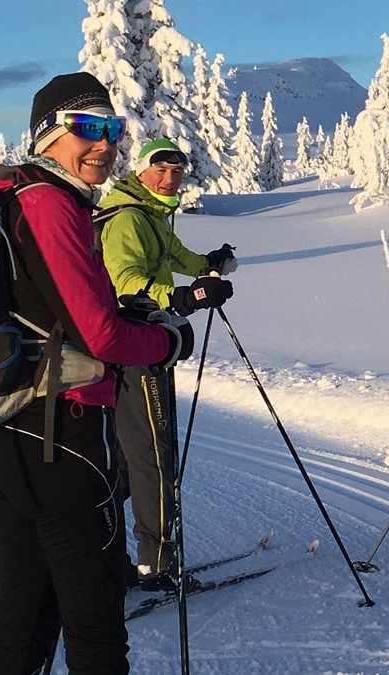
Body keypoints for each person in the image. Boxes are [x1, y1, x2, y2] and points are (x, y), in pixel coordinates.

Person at [0, 72, 195, 674]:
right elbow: (102, 338)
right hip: (63, 444)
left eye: (114, 129)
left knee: (23, 620)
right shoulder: (52, 205)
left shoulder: (19, 198)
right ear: (47, 135)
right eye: (88, 128)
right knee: (95, 626)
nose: (105, 144)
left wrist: (127, 312)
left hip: (13, 431)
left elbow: (58, 309)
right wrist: (165, 343)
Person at [96, 137, 235, 592]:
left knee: (122, 458)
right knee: (154, 457)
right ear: (141, 171)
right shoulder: (129, 220)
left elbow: (178, 258)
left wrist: (208, 266)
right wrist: (184, 296)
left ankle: (110, 558)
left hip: (126, 346)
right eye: (161, 169)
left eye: (177, 171)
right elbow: (126, 282)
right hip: (137, 345)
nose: (170, 178)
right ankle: (155, 566)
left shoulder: (149, 214)